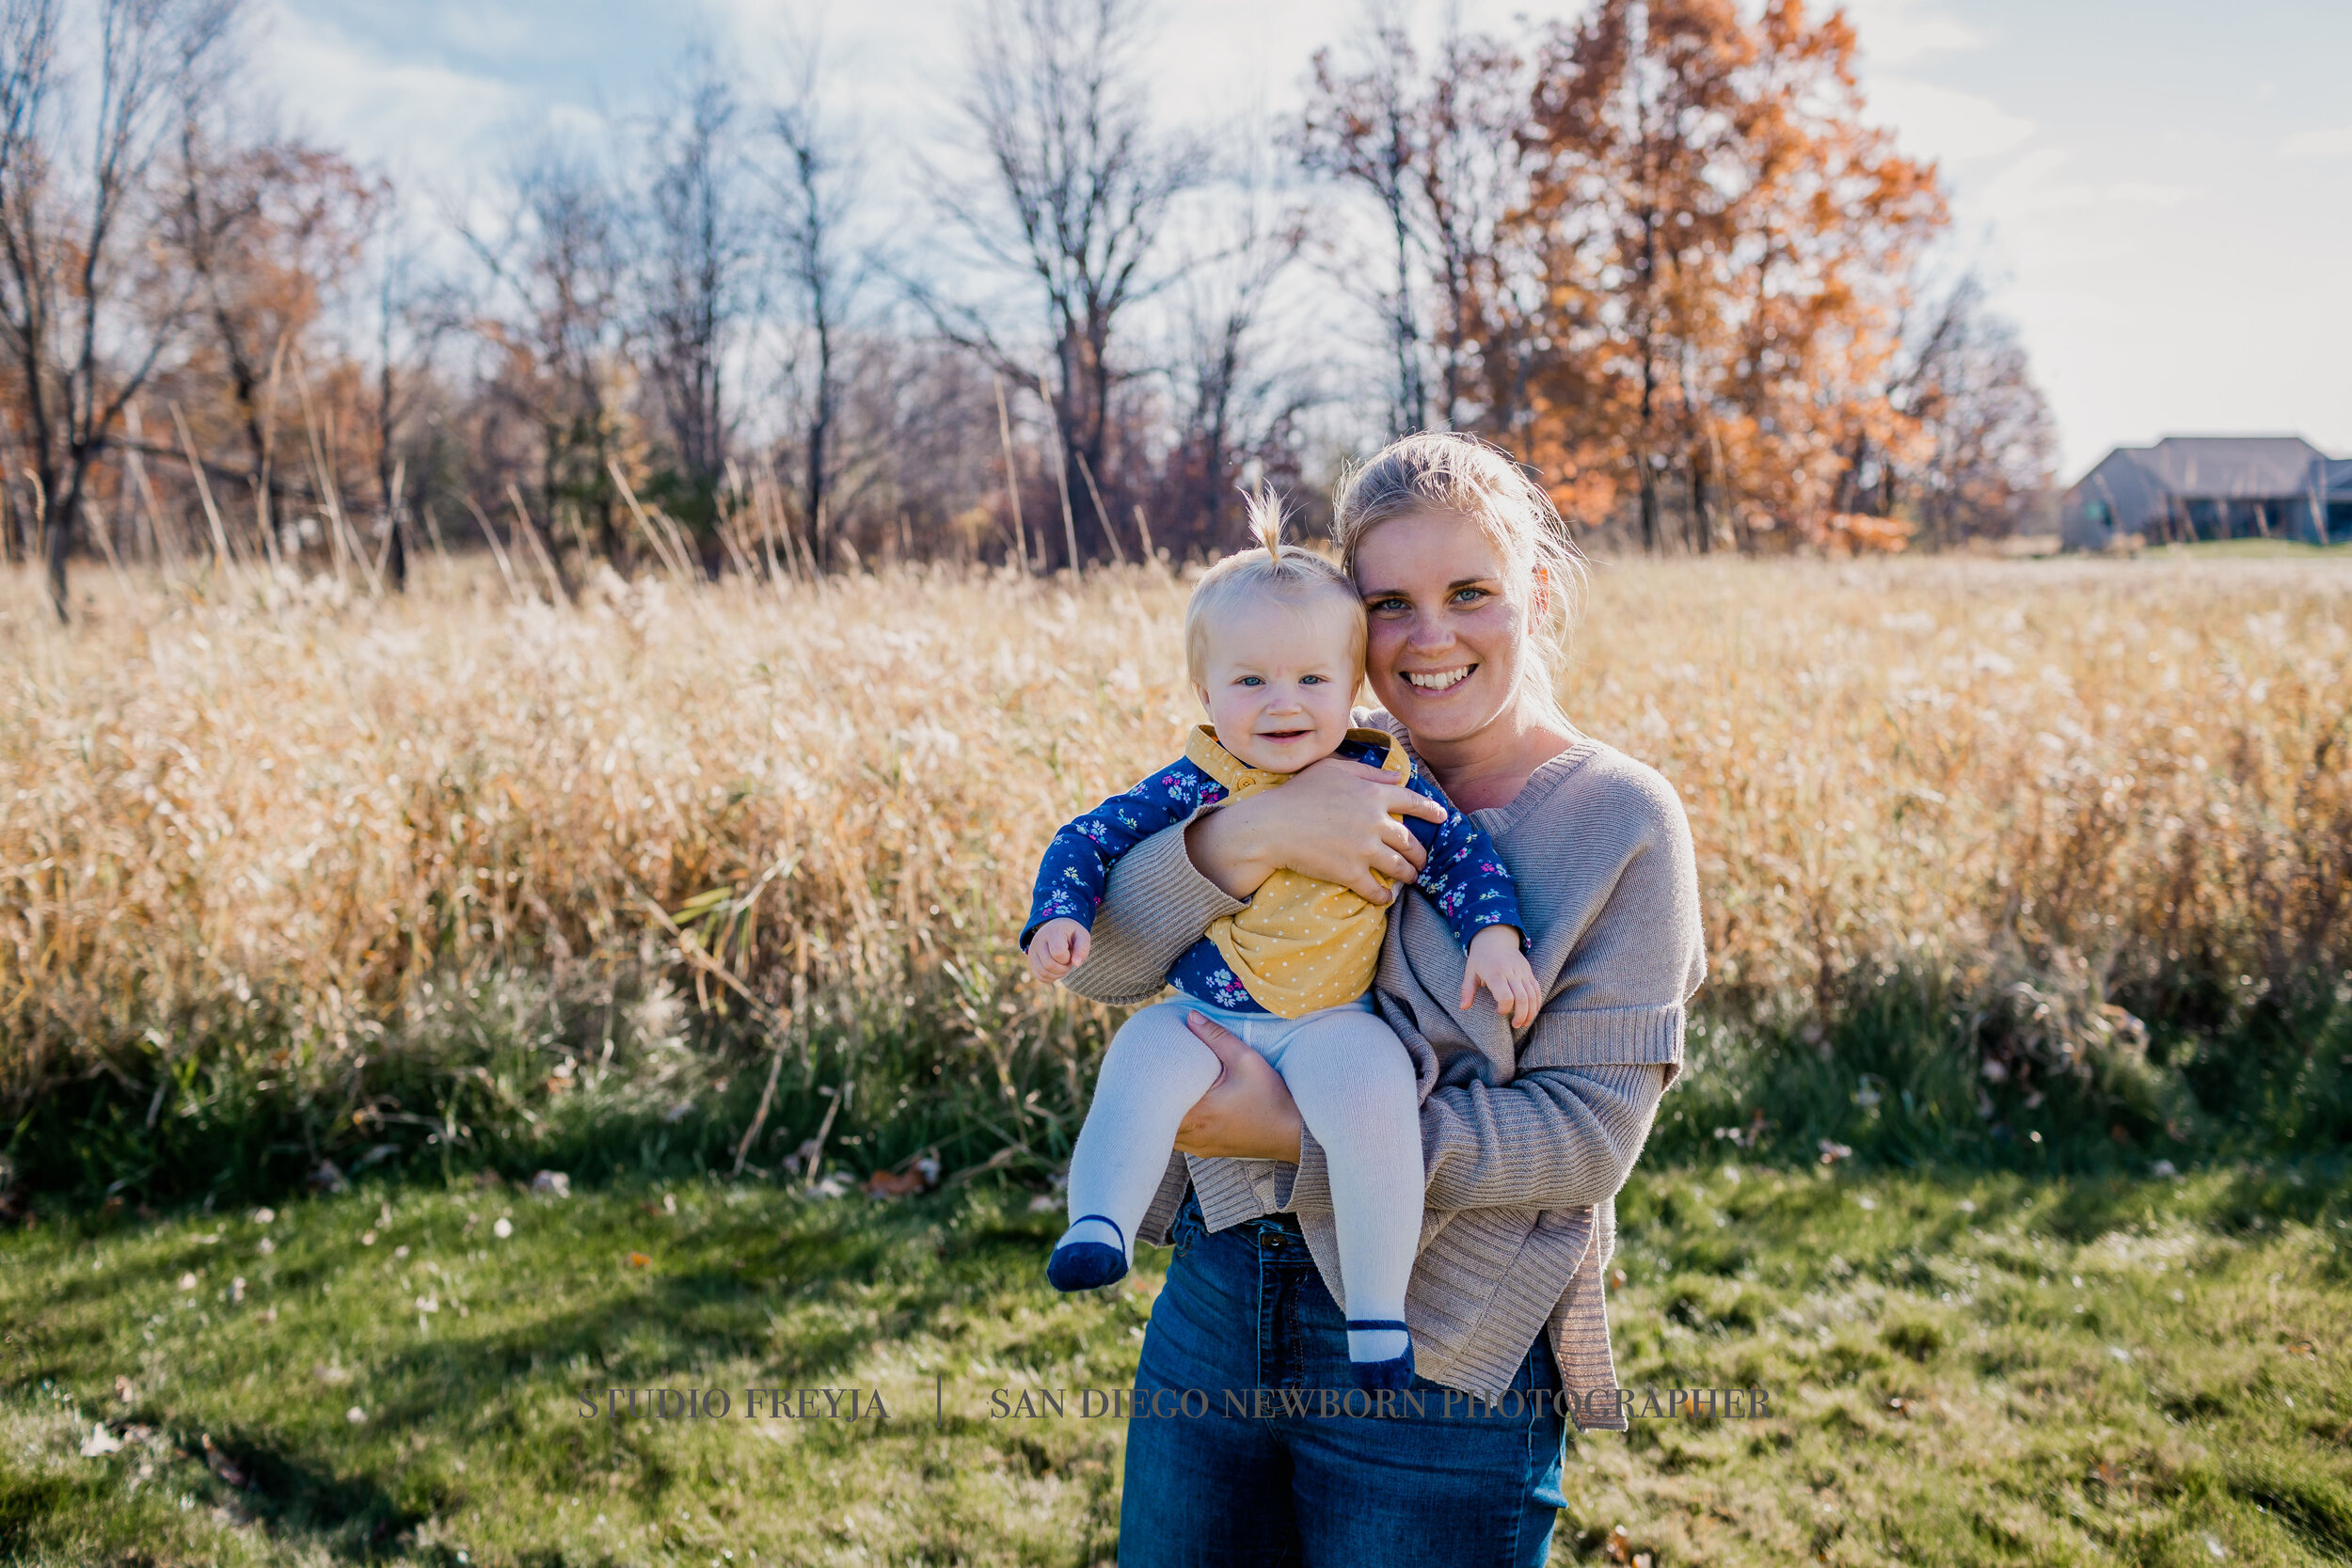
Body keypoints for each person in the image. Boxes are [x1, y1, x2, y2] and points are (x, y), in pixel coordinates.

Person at [1061, 433, 1707, 1568]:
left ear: (1535, 593)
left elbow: (1585, 1138)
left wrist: (1290, 1131)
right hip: (1219, 1295)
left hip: (1443, 1352)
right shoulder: (1294, 745)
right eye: (1388, 602)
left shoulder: (1620, 821)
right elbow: (1106, 967)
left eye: (1470, 593)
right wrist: (1244, 836)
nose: (1429, 635)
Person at [1023, 491, 1542, 1393]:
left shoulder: (1383, 771)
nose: (1283, 704)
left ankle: (1379, 1314)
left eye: (1312, 680)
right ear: (1205, 691)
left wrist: (1492, 933)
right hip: (1209, 1008)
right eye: (1251, 681)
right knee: (1140, 1058)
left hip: (1334, 1020)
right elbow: (1087, 838)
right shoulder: (1199, 781)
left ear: (1354, 688)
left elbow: (1459, 854)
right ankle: (1097, 1224)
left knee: (1377, 1109)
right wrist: (1062, 915)